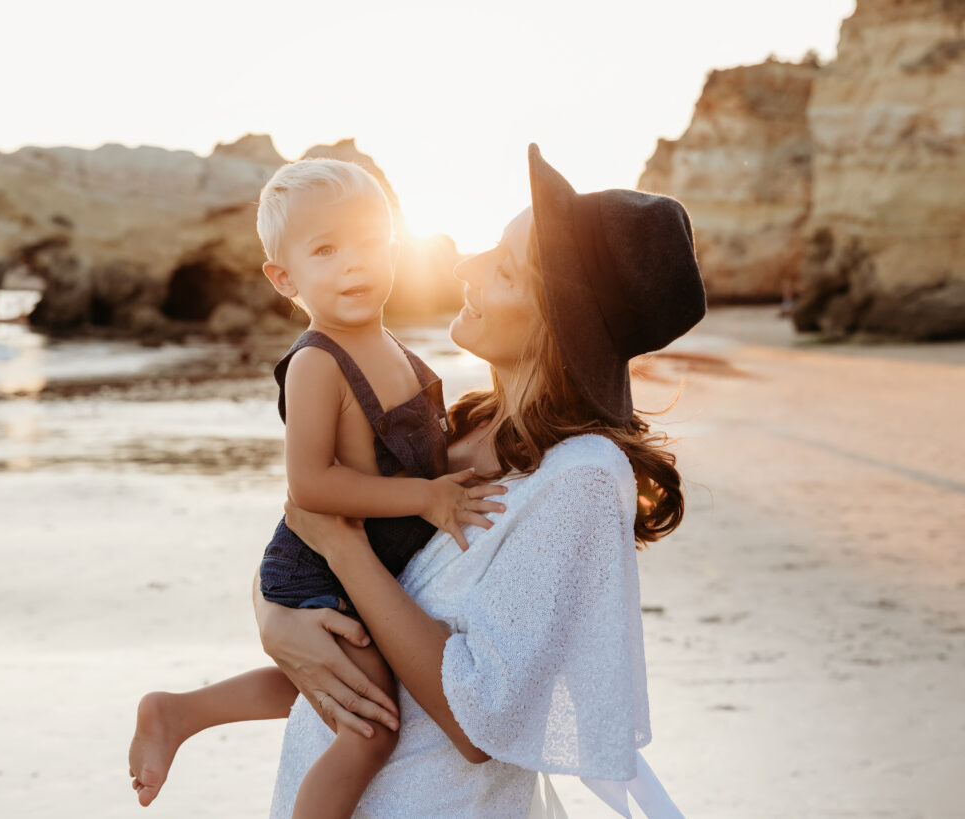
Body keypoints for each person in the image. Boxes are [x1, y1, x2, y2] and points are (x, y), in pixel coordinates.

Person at [255, 144, 707, 818]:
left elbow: (478, 721)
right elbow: (312, 525)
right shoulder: (466, 422)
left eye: (500, 269)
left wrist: (345, 552)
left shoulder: (580, 477)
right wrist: (273, 619)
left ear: (557, 318)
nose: (464, 267)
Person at [127, 158, 507, 816]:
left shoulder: (400, 352)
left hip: (367, 561)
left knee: (332, 683)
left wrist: (448, 476)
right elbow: (310, 483)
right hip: (313, 567)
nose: (352, 263)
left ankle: (179, 709)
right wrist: (427, 497)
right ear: (285, 278)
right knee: (370, 725)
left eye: (367, 243)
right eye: (325, 250)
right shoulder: (316, 362)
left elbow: (420, 457)